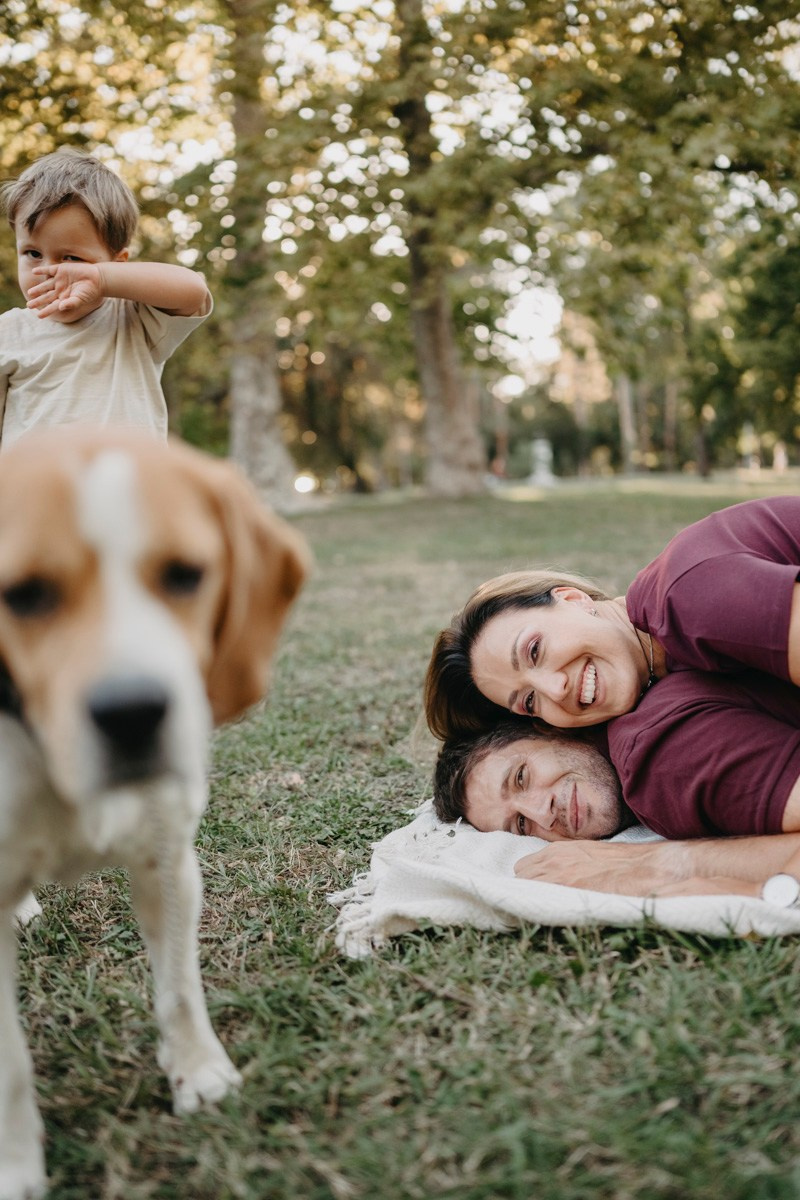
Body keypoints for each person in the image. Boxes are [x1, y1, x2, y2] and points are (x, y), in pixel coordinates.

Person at [424, 497, 800, 739]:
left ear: (573, 599)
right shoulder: (659, 674)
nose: (555, 691)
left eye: (535, 650)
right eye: (528, 701)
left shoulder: (688, 598)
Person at [433, 674, 800, 900]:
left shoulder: (659, 762)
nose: (541, 812)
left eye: (521, 777)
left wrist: (648, 863)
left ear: (552, 729)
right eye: (522, 826)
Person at [0, 147, 211, 445]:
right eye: (33, 253)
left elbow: (193, 290)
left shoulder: (135, 320)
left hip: (128, 489)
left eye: (71, 259)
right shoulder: (9, 333)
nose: (48, 271)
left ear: (117, 263)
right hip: (38, 490)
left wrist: (100, 279)